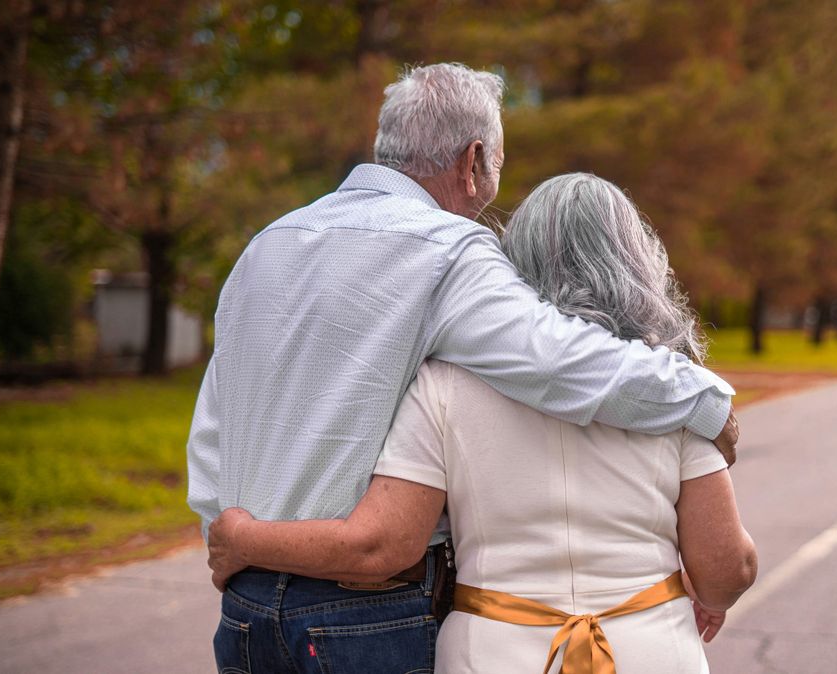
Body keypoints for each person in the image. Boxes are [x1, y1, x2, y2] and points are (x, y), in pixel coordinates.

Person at [187, 63, 739, 673]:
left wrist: (230, 537)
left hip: (246, 607)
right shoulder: (449, 250)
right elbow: (560, 362)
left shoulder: (266, 245)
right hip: (363, 614)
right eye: (498, 165)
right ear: (473, 161)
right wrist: (703, 395)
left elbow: (216, 424)